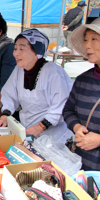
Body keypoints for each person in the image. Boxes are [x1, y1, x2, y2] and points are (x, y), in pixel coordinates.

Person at [0, 28, 73, 144]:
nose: (16, 53)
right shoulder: (19, 69)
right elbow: (10, 94)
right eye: (15, 48)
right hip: (28, 130)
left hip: (53, 135)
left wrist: (41, 126)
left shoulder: (53, 72)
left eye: (21, 49)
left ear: (37, 52)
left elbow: (61, 105)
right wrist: (6, 115)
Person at [63, 17, 100, 170]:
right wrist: (77, 127)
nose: (87, 45)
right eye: (85, 40)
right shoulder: (82, 80)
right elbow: (68, 110)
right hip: (82, 165)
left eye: (94, 39)